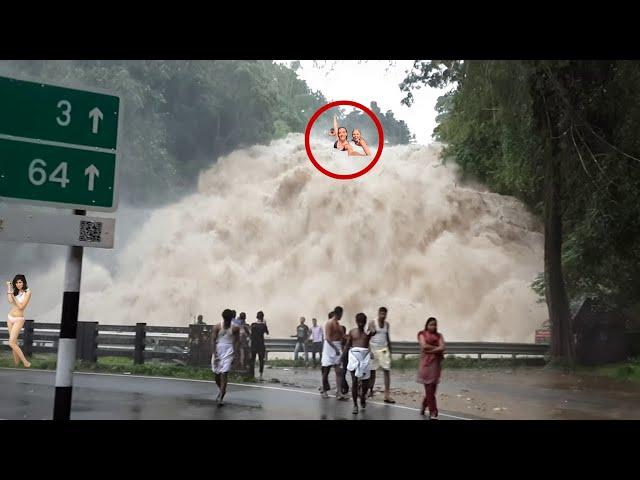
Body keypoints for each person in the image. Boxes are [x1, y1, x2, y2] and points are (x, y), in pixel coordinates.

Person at [340, 312, 373, 414]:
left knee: (365, 383)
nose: (361, 324)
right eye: (359, 322)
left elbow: (375, 333)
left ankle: (362, 396)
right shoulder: (352, 332)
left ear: (365, 322)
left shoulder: (368, 333)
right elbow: (347, 345)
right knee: (354, 382)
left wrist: (372, 329)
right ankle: (355, 405)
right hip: (354, 356)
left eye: (363, 322)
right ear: (356, 322)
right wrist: (342, 356)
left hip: (365, 357)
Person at [417, 317, 446, 419]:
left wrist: (431, 350)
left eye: (435, 325)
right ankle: (433, 411)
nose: (433, 327)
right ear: (426, 325)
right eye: (431, 324)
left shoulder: (439, 336)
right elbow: (424, 346)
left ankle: (424, 405)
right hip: (426, 365)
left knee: (432, 390)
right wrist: (437, 349)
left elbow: (443, 347)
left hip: (436, 366)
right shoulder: (422, 334)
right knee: (429, 389)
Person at [211, 309, 241, 406]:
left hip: (229, 351)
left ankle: (221, 397)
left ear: (231, 318)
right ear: (223, 318)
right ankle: (221, 390)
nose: (227, 322)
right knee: (216, 376)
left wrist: (236, 355)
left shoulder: (235, 328)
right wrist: (215, 355)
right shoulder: (217, 327)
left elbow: (237, 342)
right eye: (226, 320)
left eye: (229, 320)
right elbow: (213, 341)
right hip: (218, 350)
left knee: (224, 374)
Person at [367, 306, 395, 403]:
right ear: (378, 313)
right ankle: (368, 390)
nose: (383, 315)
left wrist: (390, 351)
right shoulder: (372, 323)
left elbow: (388, 337)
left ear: (386, 315)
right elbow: (367, 337)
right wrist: (369, 350)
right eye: (381, 313)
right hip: (373, 348)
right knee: (371, 372)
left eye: (384, 314)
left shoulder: (387, 324)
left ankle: (387, 395)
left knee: (386, 370)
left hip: (383, 349)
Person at [320, 306, 348, 400]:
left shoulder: (339, 325)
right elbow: (327, 338)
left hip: (337, 346)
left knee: (338, 371)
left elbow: (342, 336)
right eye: (341, 314)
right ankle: (324, 390)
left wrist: (349, 338)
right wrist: (335, 348)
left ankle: (339, 392)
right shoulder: (329, 323)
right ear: (338, 313)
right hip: (329, 347)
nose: (341, 316)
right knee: (326, 370)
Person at [5, 275, 31, 368]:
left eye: (20, 282)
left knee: (11, 342)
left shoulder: (27, 292)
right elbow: (9, 301)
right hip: (10, 317)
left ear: (24, 282)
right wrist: (9, 288)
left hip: (19, 319)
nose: (18, 284)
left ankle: (25, 362)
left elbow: (21, 306)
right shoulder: (15, 291)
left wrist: (13, 296)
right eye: (16, 283)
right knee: (14, 342)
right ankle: (16, 364)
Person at [250, 311, 269, 380]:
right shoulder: (263, 326)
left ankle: (252, 375)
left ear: (256, 317)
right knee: (261, 360)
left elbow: (250, 333)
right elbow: (267, 333)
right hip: (261, 345)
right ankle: (260, 375)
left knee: (252, 360)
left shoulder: (253, 325)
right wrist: (265, 324)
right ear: (262, 317)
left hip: (253, 345)